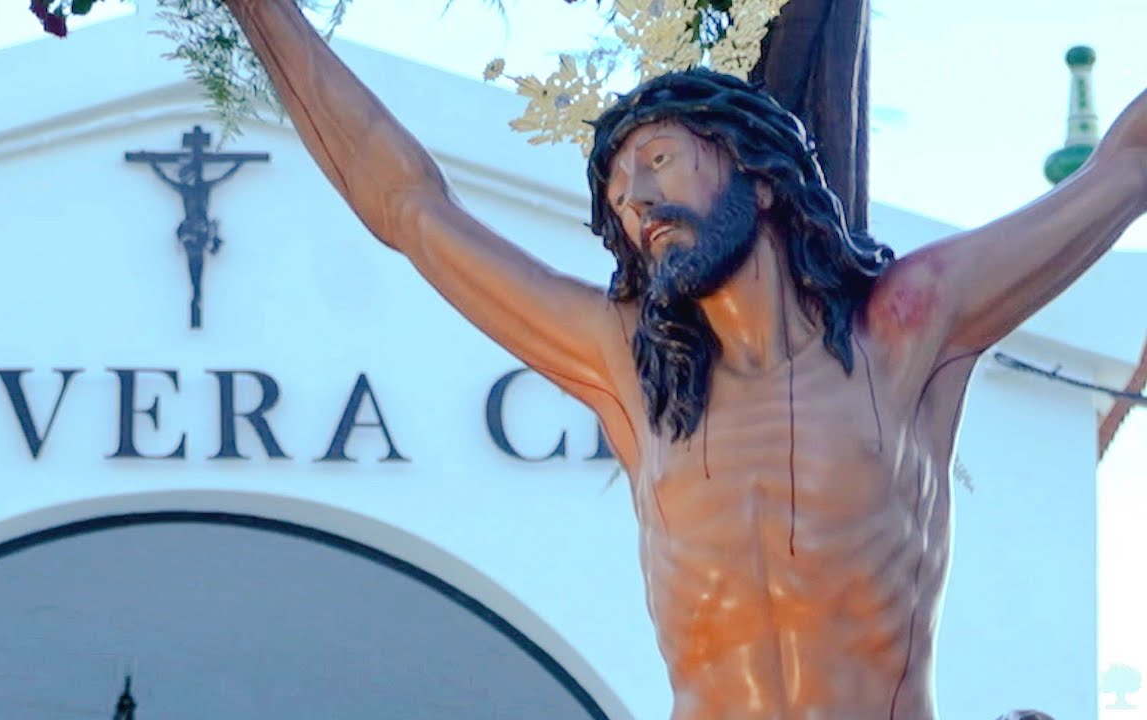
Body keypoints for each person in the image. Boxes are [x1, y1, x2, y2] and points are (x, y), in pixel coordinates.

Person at [223, 1, 1147, 717]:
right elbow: (411, 210)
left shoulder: (903, 332)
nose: (640, 203)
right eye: (622, 196)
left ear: (756, 172)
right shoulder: (629, 374)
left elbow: (1127, 165)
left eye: (660, 162)